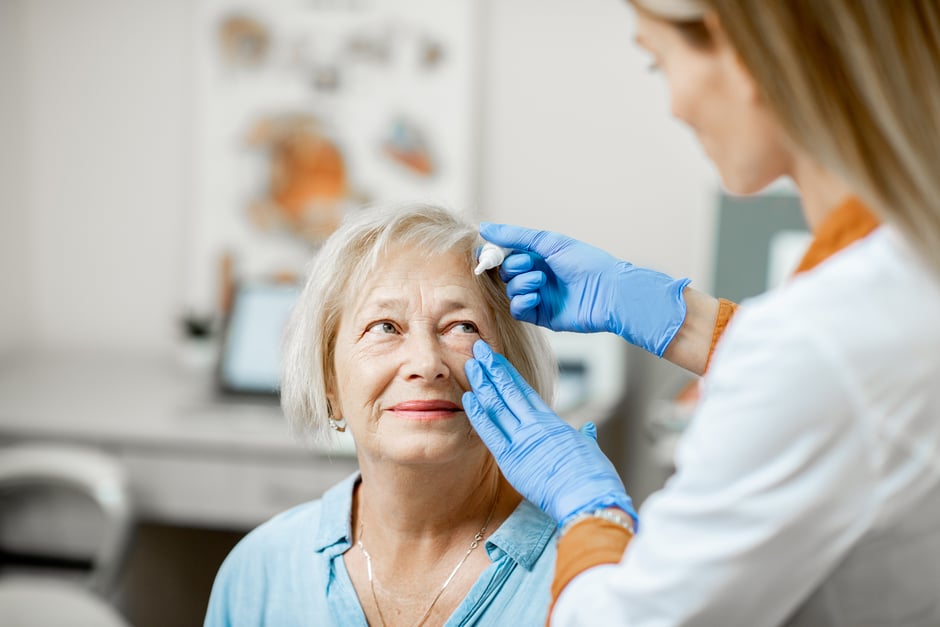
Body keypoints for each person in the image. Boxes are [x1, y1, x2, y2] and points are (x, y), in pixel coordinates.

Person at [462, 0, 940, 625]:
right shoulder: (897, 274)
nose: (674, 107)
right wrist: (678, 318)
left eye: (657, 63)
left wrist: (588, 506)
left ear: (740, 57)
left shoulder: (820, 340)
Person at [204, 203, 561, 626]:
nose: (426, 363)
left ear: (513, 369)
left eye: (462, 326)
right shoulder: (258, 575)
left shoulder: (585, 575)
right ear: (329, 383)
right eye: (385, 327)